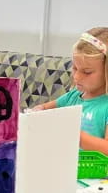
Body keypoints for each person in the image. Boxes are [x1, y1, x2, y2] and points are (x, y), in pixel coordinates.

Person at [34, 27, 108, 155]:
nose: (76, 77)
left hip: (94, 173)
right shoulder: (73, 96)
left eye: (87, 72)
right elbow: (44, 108)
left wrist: (75, 136)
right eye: (74, 68)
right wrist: (36, 112)